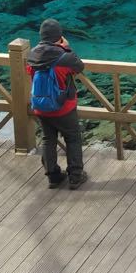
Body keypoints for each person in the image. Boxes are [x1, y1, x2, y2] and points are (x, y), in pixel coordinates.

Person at [26, 19, 88, 189]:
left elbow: (30, 72)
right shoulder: (64, 56)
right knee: (73, 138)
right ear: (59, 36)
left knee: (48, 139)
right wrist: (66, 47)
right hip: (63, 107)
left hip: (41, 107)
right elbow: (79, 67)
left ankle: (53, 176)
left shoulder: (32, 55)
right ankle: (75, 176)